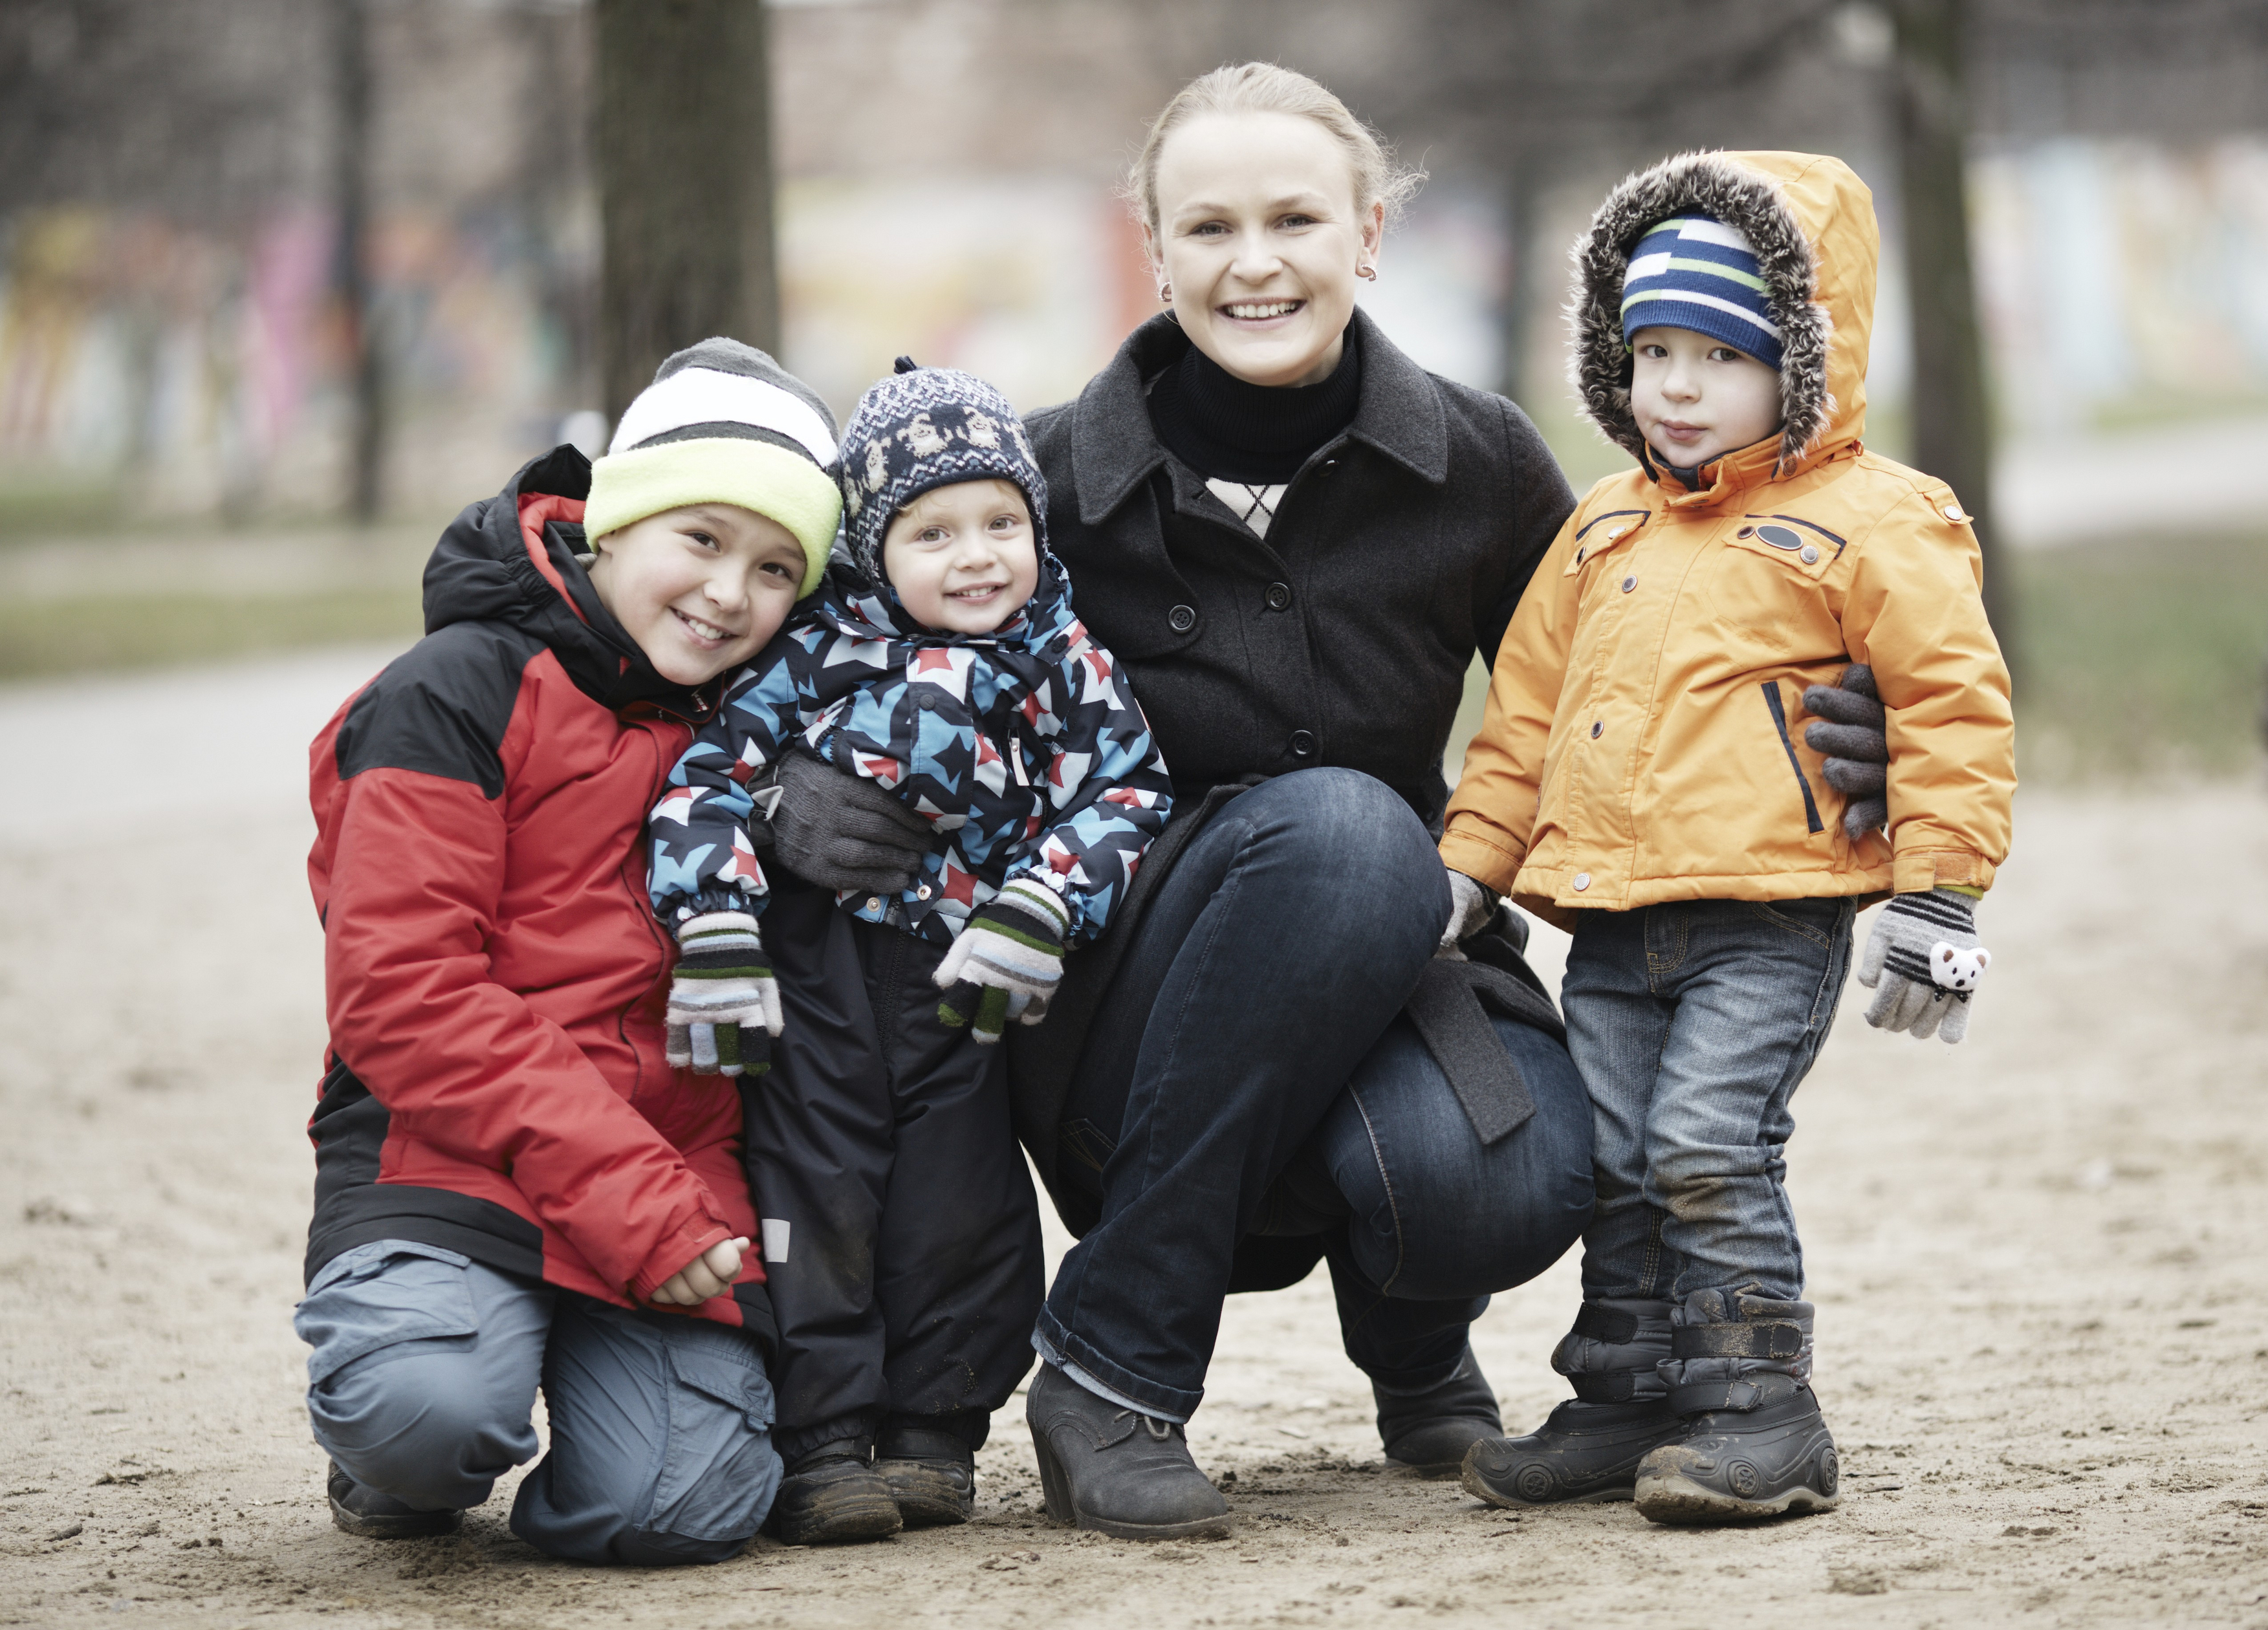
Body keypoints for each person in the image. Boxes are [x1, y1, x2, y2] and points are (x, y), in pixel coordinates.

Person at [752, 65, 1892, 1542]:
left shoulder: (1476, 460)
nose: (1254, 260)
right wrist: (780, 792)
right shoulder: (1024, 485)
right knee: (1345, 825)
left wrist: (1809, 708)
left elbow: (1628, 655)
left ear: (1367, 233)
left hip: (1401, 966)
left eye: (1294, 216)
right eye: (1208, 226)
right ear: (1155, 253)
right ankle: (1113, 1366)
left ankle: (1413, 1336)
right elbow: (772, 636)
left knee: (1511, 1175)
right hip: (1105, 1008)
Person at [1441, 151, 2016, 1523]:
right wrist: (1467, 867)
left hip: (1767, 913)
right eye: (1651, 352)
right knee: (1615, 1158)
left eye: (1720, 353)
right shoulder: (1601, 525)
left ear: (1801, 363)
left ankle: (1763, 1410)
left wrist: (1937, 899)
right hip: (1616, 922)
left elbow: (1948, 702)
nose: (1677, 388)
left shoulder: (1876, 517)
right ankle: (1630, 1391)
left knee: (1706, 1140)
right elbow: (1523, 717)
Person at [296, 338, 846, 1563]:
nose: (728, 594)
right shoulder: (450, 692)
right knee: (423, 1415)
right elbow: (404, 994)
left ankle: (583, 1387)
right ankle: (409, 1432)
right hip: (452, 1158)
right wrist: (633, 1203)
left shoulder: (772, 731)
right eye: (698, 539)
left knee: (676, 1507)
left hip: (677, 1167)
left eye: (774, 569)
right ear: (611, 521)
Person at [645, 361, 1171, 1544]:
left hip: (963, 984)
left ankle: (936, 1430)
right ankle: (822, 1436)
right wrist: (716, 923)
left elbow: (1128, 791)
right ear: (872, 551)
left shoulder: (1065, 663)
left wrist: (1042, 902)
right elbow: (706, 779)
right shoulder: (818, 653)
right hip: (816, 974)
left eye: (1001, 522)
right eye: (932, 531)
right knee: (813, 1190)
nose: (976, 554)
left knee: (960, 1202)